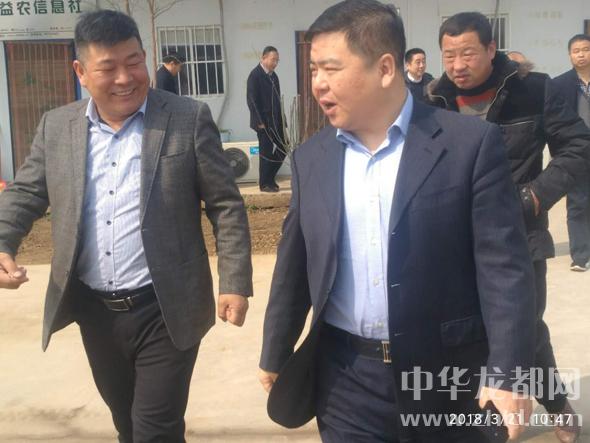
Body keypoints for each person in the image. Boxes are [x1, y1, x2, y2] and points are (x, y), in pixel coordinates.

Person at [258, 1, 537, 441]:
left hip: (447, 378)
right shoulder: (311, 159)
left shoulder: (468, 145)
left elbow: (504, 269)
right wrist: (275, 352)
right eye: (313, 70)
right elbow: (294, 266)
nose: (318, 84)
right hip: (346, 381)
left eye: (331, 69)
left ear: (385, 68)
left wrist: (509, 372)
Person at [0, 10, 253, 442]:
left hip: (166, 307)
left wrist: (234, 280)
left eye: (134, 62)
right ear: (81, 72)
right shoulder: (57, 127)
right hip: (95, 311)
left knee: (155, 429)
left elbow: (225, 204)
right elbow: (25, 192)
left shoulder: (187, 118)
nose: (125, 78)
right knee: (126, 424)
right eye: (108, 67)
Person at [428, 12, 589, 442]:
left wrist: (533, 197)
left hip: (519, 236)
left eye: (467, 54)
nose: (457, 65)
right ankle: (485, 413)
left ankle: (554, 403)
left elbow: (578, 147)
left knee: (525, 329)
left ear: (490, 48)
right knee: (468, 333)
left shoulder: (534, 90)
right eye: (449, 55)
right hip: (455, 242)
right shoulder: (433, 100)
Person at [553, 34, 590, 272]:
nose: (581, 54)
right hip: (575, 151)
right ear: (569, 55)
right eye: (576, 51)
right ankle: (580, 255)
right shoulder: (559, 84)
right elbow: (554, 121)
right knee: (577, 202)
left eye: (585, 49)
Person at [246, 46, 287, 192]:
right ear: (263, 58)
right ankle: (264, 184)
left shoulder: (273, 76)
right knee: (266, 152)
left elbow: (278, 99)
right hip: (263, 122)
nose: (275, 63)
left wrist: (283, 120)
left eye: (277, 60)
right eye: (273, 59)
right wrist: (259, 121)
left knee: (284, 146)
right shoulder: (255, 75)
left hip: (276, 120)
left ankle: (270, 178)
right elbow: (251, 100)